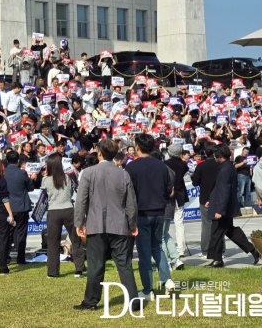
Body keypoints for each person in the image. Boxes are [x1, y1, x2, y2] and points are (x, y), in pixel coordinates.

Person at [73, 138, 139, 312]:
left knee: (96, 266)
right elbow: (131, 203)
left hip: (96, 225)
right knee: (124, 265)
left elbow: (81, 201)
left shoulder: (88, 173)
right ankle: (133, 301)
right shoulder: (123, 173)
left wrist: (79, 222)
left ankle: (91, 301)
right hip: (119, 225)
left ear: (99, 153)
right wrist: (132, 224)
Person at [124, 134, 175, 299]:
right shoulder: (161, 166)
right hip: (159, 211)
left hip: (142, 214)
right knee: (157, 248)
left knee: (144, 252)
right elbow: (169, 189)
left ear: (137, 146)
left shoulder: (132, 167)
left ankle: (147, 290)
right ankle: (167, 281)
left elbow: (128, 193)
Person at [206, 144, 261, 268]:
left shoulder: (226, 169)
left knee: (216, 233)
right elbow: (220, 188)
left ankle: (217, 259)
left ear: (219, 155)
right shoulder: (227, 166)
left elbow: (225, 190)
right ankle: (253, 251)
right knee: (230, 231)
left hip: (222, 207)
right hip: (223, 205)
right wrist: (212, 200)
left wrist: (220, 209)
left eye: (215, 155)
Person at [41, 153, 85, 278]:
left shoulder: (46, 179)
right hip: (69, 209)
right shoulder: (68, 177)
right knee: (76, 240)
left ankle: (53, 271)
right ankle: (79, 269)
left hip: (53, 211)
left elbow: (44, 195)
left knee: (53, 242)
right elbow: (71, 192)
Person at [3, 150, 34, 265]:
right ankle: (20, 258)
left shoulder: (3, 172)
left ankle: (6, 258)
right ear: (18, 161)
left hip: (7, 207)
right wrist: (31, 179)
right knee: (21, 233)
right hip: (21, 206)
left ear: (7, 160)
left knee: (7, 234)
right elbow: (30, 187)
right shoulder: (22, 173)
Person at [190, 141, 220, 257]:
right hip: (219, 197)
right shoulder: (220, 165)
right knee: (218, 224)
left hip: (205, 196)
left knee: (207, 224)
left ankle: (206, 250)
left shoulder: (201, 166)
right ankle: (219, 250)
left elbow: (195, 182)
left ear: (205, 152)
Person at [164, 144, 189, 257]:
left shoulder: (165, 164)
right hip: (179, 193)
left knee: (166, 223)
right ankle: (180, 249)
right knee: (179, 222)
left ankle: (167, 247)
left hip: (168, 194)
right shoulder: (183, 165)